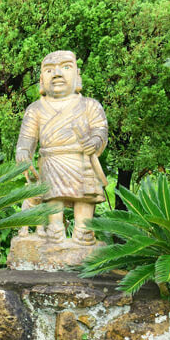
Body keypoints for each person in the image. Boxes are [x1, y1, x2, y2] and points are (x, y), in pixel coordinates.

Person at [16, 50, 108, 245]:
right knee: (52, 197)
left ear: (77, 74)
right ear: (41, 79)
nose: (57, 74)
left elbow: (100, 129)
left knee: (85, 197)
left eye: (66, 67)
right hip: (51, 162)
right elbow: (26, 139)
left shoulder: (90, 105)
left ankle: (83, 232)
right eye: (49, 70)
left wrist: (95, 141)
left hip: (82, 160)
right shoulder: (35, 109)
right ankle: (55, 230)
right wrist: (23, 153)